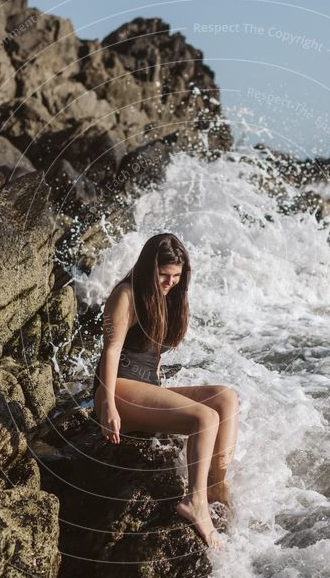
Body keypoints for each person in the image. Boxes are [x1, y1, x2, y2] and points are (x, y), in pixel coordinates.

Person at [93, 232, 239, 550]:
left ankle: (216, 486)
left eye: (176, 276)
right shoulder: (125, 295)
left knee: (225, 398)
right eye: (164, 275)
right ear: (148, 269)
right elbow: (111, 351)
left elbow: (152, 358)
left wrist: (162, 393)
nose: (170, 282)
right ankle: (194, 500)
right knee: (204, 418)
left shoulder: (167, 296)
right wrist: (107, 406)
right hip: (117, 389)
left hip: (143, 388)